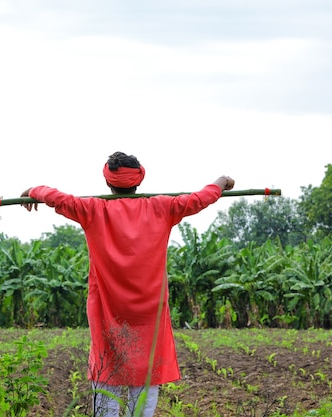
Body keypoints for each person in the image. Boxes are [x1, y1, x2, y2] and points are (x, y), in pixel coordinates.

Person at [20, 151, 234, 417]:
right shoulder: (162, 207)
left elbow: (57, 198)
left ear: (107, 180)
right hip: (150, 310)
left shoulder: (92, 209)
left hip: (107, 308)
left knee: (106, 365)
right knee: (147, 368)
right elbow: (200, 199)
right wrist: (221, 182)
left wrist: (33, 190)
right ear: (139, 179)